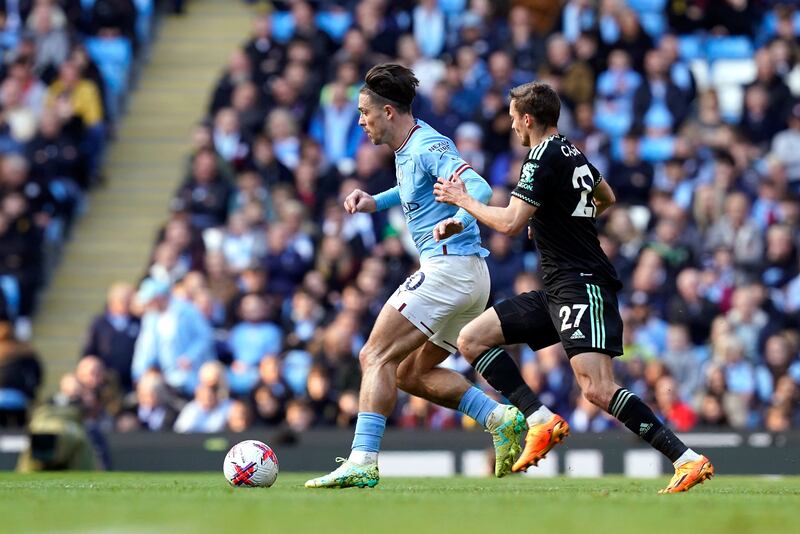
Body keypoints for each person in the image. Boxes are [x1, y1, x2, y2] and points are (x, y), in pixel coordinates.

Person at [433, 81, 714, 494]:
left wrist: (464, 200)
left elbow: (510, 223)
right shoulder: (569, 149)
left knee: (597, 388)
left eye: (513, 118)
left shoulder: (540, 156)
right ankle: (539, 419)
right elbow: (606, 195)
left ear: (527, 119)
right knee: (472, 338)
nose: (511, 126)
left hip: (582, 283)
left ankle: (686, 459)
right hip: (557, 287)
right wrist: (556, 218)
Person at [305, 64, 524, 490]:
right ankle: (500, 418)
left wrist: (459, 220)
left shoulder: (426, 145)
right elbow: (415, 192)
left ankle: (363, 460)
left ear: (388, 111)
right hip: (466, 275)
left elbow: (478, 188)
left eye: (364, 112)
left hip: (450, 266)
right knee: (408, 373)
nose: (360, 121)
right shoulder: (409, 147)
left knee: (374, 355)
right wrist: (375, 201)